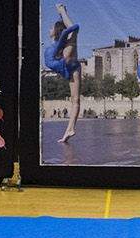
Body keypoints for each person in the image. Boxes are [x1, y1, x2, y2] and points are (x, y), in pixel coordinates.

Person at [45, 4, 82, 143]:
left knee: (75, 100)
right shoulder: (55, 46)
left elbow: (73, 28)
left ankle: (70, 129)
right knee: (75, 100)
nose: (49, 29)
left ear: (56, 31)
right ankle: (69, 130)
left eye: (51, 28)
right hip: (71, 69)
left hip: (72, 67)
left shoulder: (67, 44)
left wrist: (62, 12)